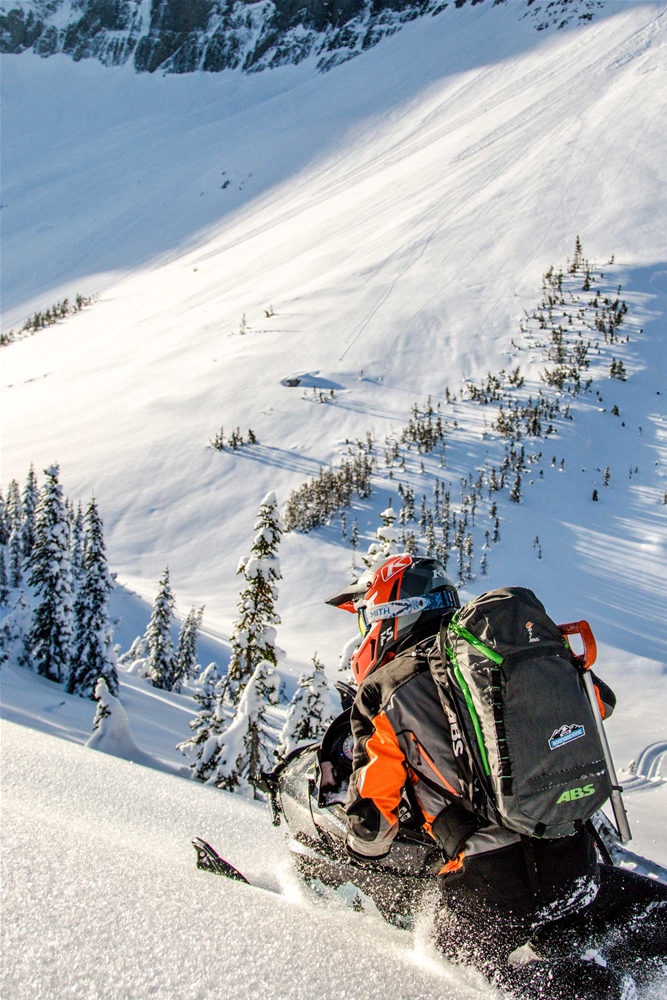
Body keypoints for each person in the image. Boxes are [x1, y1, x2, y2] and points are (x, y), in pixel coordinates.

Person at [326, 553, 667, 1000]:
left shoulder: (384, 691)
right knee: (649, 916)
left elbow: (372, 825)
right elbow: (598, 702)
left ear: (392, 615)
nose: (365, 634)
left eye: (367, 619)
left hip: (488, 893)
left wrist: (356, 846)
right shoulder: (497, 656)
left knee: (450, 967)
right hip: (575, 863)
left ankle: (596, 989)